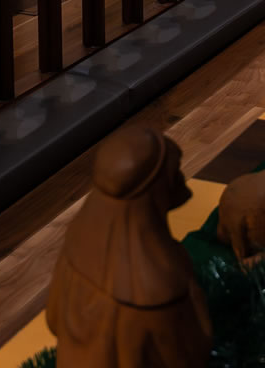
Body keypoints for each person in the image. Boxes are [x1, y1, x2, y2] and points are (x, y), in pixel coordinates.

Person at [46, 126, 212, 367]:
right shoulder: (157, 286)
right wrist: (194, 295)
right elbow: (190, 356)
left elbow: (53, 319)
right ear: (157, 191)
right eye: (175, 173)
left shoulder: (76, 252)